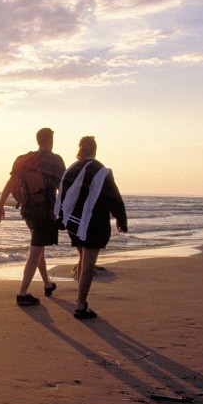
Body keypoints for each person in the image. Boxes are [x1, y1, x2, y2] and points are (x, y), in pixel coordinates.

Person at [56, 136, 127, 319]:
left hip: (74, 224)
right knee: (88, 264)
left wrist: (61, 218)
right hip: (93, 224)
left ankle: (81, 300)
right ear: (94, 150)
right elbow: (114, 197)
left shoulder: (72, 169)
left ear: (80, 149)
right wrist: (121, 219)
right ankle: (80, 305)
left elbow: (63, 193)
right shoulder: (101, 171)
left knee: (82, 258)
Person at [0, 128, 66, 306]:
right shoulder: (55, 160)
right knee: (35, 250)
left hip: (27, 209)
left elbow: (11, 182)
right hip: (44, 210)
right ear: (51, 140)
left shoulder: (24, 161)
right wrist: (66, 211)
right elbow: (64, 188)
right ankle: (22, 293)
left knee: (38, 247)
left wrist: (0, 205)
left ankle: (47, 284)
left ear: (37, 140)